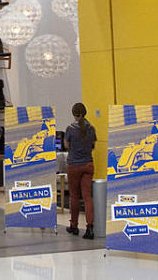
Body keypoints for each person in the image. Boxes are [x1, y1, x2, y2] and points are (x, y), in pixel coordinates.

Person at [64, 102, 97, 239]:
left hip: (74, 166)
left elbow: (66, 145)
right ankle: (89, 228)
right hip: (88, 165)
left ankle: (74, 226)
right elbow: (93, 146)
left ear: (73, 114)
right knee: (87, 197)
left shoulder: (70, 129)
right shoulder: (91, 129)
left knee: (74, 197)